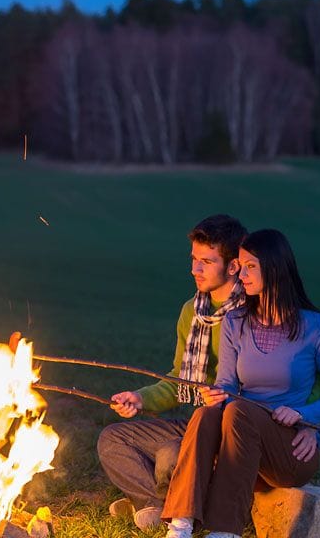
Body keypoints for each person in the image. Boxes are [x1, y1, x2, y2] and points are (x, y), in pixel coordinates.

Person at [160, 229, 320, 538]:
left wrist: (305, 417)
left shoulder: (316, 327)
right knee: (205, 414)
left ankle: (225, 531)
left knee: (239, 411)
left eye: (250, 266)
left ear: (274, 268)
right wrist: (216, 395)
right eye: (239, 265)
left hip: (289, 450)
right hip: (241, 445)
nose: (241, 273)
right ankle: (180, 524)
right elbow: (226, 383)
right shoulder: (236, 321)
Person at [96, 214, 247, 530]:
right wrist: (139, 398)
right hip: (196, 423)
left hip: (234, 432)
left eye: (206, 261)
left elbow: (274, 381)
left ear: (233, 266)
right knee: (112, 440)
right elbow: (180, 376)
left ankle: (164, 501)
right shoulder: (191, 311)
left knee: (170, 455)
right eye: (194, 259)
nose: (195, 269)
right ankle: (154, 502)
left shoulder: (254, 313)